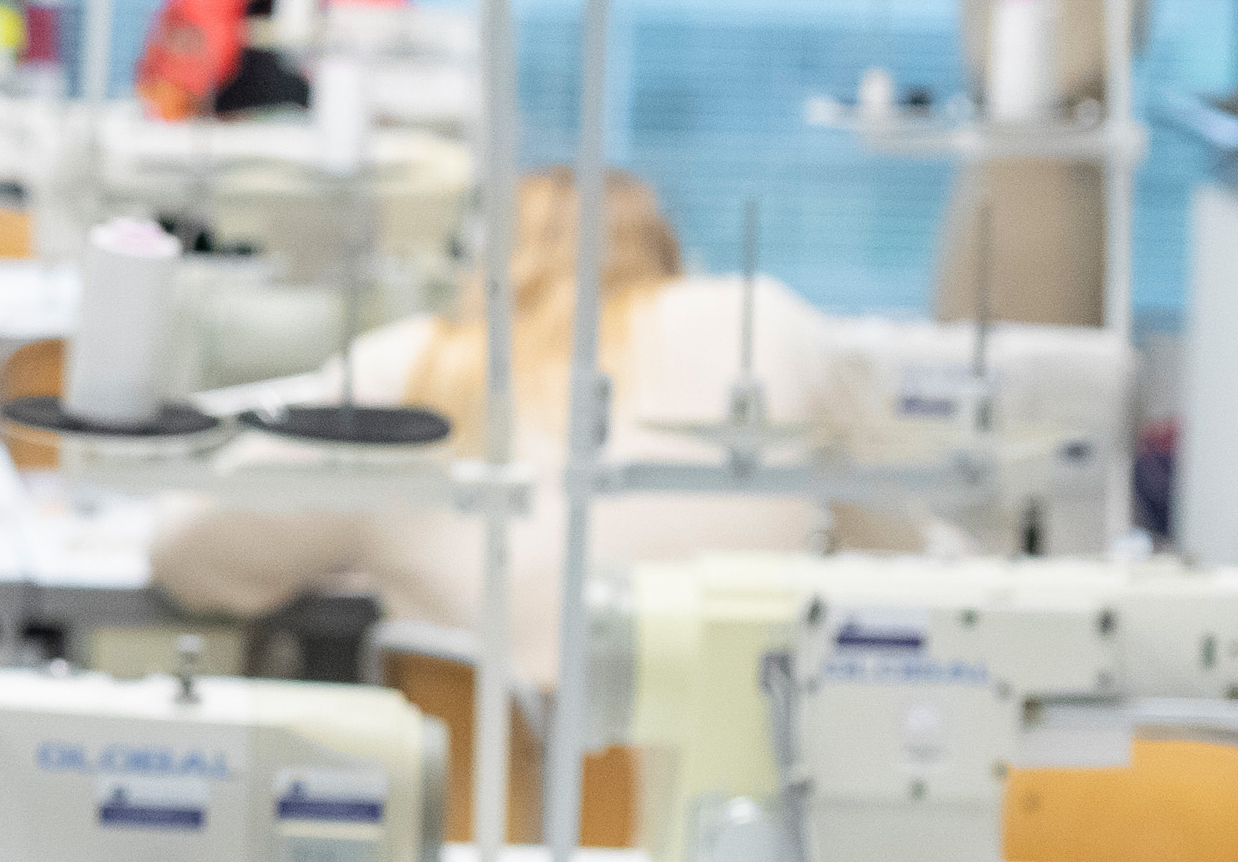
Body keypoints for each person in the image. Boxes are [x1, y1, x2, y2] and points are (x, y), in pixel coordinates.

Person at [147, 166, 909, 671]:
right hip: (727, 814)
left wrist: (363, 536)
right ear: (668, 252)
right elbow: (903, 555)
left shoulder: (417, 371)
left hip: (487, 824)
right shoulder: (768, 326)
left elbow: (189, 555)